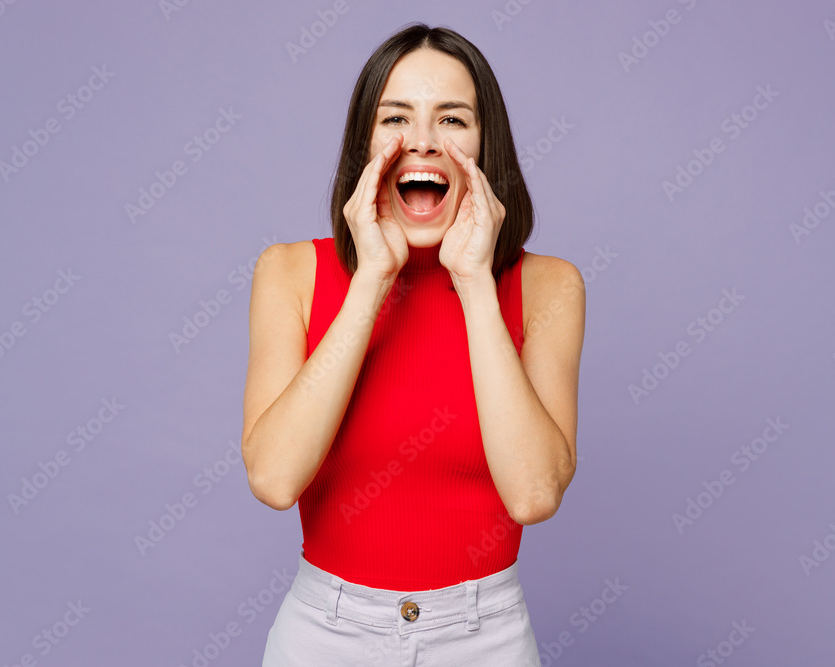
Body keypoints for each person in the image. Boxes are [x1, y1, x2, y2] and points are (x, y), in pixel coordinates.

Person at [241, 22, 585, 666]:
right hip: (326, 635)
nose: (422, 142)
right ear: (365, 145)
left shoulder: (549, 287)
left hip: (485, 637)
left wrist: (475, 283)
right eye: (395, 118)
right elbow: (274, 477)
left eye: (453, 120)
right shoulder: (289, 272)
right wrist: (371, 278)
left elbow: (534, 493)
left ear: (486, 148)